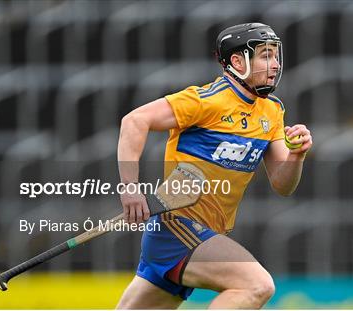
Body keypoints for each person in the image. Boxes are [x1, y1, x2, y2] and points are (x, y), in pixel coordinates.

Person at [116, 23, 312, 309]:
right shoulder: (207, 100)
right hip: (177, 228)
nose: (275, 64)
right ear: (237, 61)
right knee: (256, 285)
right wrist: (130, 189)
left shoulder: (272, 110)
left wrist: (297, 156)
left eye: (275, 55)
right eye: (265, 55)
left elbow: (283, 185)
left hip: (202, 234)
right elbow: (134, 121)